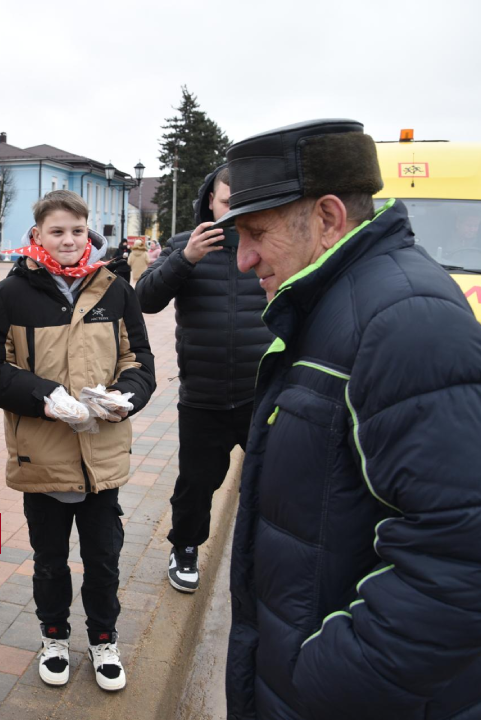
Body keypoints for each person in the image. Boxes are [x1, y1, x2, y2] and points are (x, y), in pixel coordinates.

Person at [218, 119, 481, 719]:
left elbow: (461, 559)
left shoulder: (406, 320)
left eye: (256, 232)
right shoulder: (334, 303)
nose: (243, 259)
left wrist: (326, 680)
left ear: (330, 218)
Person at [0, 190, 155, 692]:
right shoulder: (8, 295)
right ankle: (53, 636)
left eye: (77, 230)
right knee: (49, 560)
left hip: (103, 456)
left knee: (103, 559)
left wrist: (126, 397)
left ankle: (103, 639)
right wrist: (45, 395)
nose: (69, 240)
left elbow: (139, 360)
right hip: (43, 457)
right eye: (57, 231)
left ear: (88, 231)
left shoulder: (115, 289)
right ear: (38, 235)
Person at [135, 166, 272, 594]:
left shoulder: (271, 244)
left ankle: (270, 555)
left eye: (241, 202)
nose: (233, 211)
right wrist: (185, 258)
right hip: (203, 395)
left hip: (262, 394)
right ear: (210, 201)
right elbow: (145, 299)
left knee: (276, 480)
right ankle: (186, 548)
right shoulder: (184, 246)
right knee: (196, 483)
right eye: (226, 202)